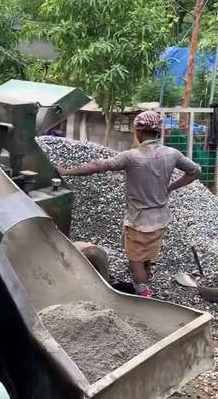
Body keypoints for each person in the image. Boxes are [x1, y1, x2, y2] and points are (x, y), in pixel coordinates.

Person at [58, 110, 200, 297]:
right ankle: (147, 278)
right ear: (158, 131)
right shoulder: (172, 154)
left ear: (139, 132)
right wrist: (171, 187)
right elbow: (195, 171)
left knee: (135, 261)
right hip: (161, 218)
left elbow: (99, 166)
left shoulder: (131, 156)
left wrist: (68, 171)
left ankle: (143, 293)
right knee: (147, 254)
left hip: (139, 221)